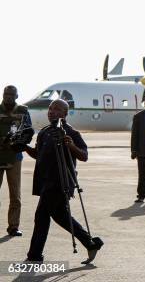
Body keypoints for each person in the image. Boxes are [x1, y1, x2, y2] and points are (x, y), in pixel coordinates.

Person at [22, 99, 103, 263]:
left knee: (42, 216)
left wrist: (71, 146)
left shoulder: (71, 133)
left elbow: (84, 156)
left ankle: (34, 255)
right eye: (50, 108)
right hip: (44, 182)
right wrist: (24, 147)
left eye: (57, 109)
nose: (52, 111)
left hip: (60, 182)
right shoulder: (45, 132)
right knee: (61, 216)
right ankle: (90, 243)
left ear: (65, 114)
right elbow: (38, 154)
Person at [0, 85, 32, 237]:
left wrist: (20, 141)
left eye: (12, 94)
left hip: (14, 157)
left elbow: (28, 130)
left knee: (15, 194)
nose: (8, 96)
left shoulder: (23, 111)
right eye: (6, 93)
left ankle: (13, 226)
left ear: (17, 96)